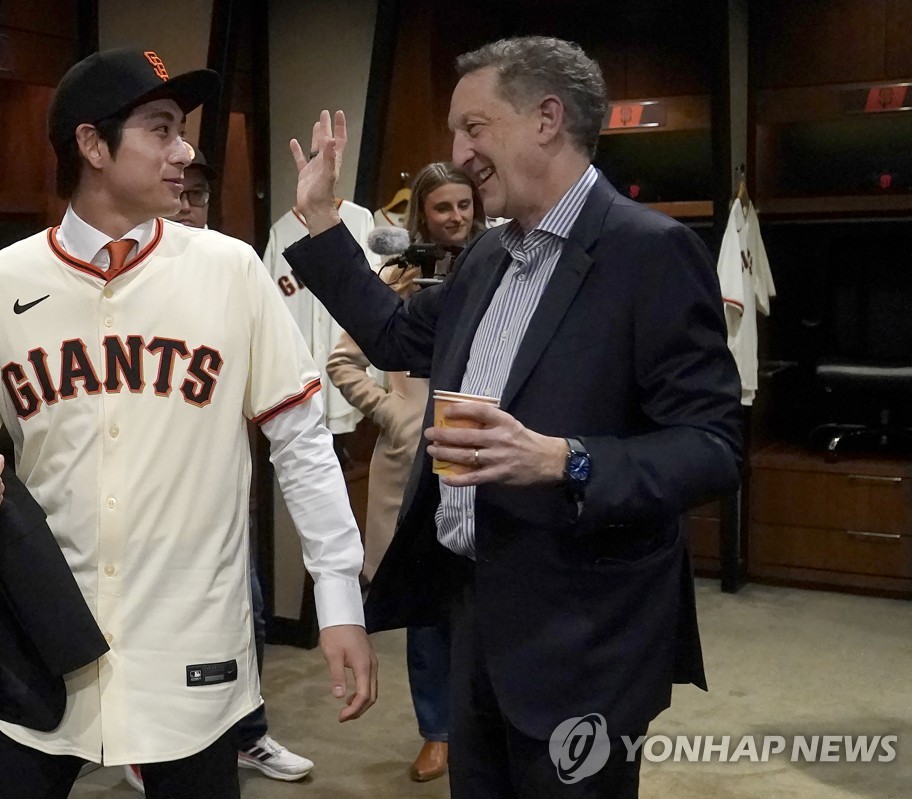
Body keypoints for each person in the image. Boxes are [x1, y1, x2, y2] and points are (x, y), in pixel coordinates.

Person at [283, 36, 742, 798]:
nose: (457, 152)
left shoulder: (650, 252)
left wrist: (568, 459)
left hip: (586, 638)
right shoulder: (489, 258)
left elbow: (713, 446)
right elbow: (397, 336)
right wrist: (323, 221)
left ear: (546, 119)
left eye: (474, 128)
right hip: (475, 619)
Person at [0, 48, 376, 799]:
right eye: (161, 130)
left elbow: (300, 442)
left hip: (190, 637)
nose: (185, 152)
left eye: (183, 131)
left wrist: (339, 600)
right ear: (93, 146)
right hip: (40, 638)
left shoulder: (230, 270)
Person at [121, 145, 316, 793]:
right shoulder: (107, 279)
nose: (188, 202)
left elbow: (288, 414)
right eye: (182, 190)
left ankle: (247, 730)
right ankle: (141, 742)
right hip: (127, 533)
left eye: (201, 193)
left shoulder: (230, 269)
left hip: (214, 516)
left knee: (245, 615)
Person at [326, 161, 484, 783]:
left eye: (465, 206)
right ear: (422, 214)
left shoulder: (499, 269)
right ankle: (437, 732)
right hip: (412, 461)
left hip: (481, 457)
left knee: (482, 600)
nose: (457, 218)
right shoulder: (396, 279)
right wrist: (397, 416)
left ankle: (481, 727)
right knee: (427, 607)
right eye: (443, 208)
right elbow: (343, 361)